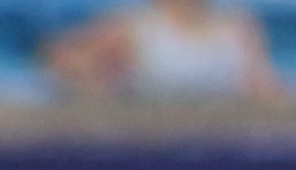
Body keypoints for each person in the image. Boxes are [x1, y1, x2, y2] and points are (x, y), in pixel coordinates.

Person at [47, 0, 283, 99]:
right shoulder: (134, 27)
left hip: (221, 143)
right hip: (150, 143)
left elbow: (264, 88)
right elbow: (63, 58)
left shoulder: (237, 27)